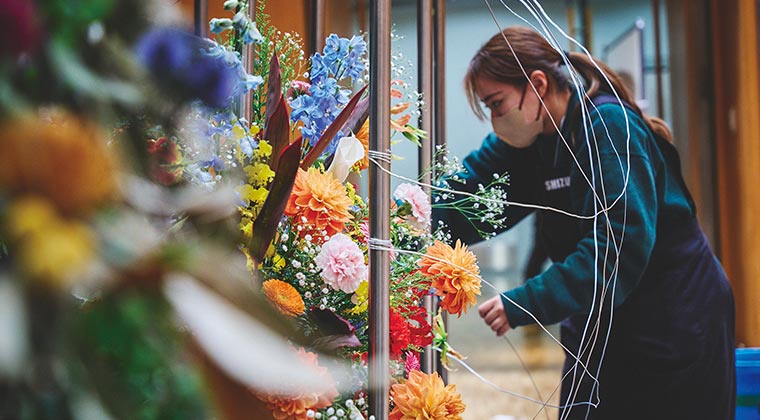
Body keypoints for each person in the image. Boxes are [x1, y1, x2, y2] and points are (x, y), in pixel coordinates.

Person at [433, 27, 735, 419]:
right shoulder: (531, 141)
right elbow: (467, 194)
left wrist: (528, 301)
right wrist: (407, 218)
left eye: (496, 103)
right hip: (598, 314)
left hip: (673, 313)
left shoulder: (607, 127)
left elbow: (619, 248)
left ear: (537, 85)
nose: (494, 119)